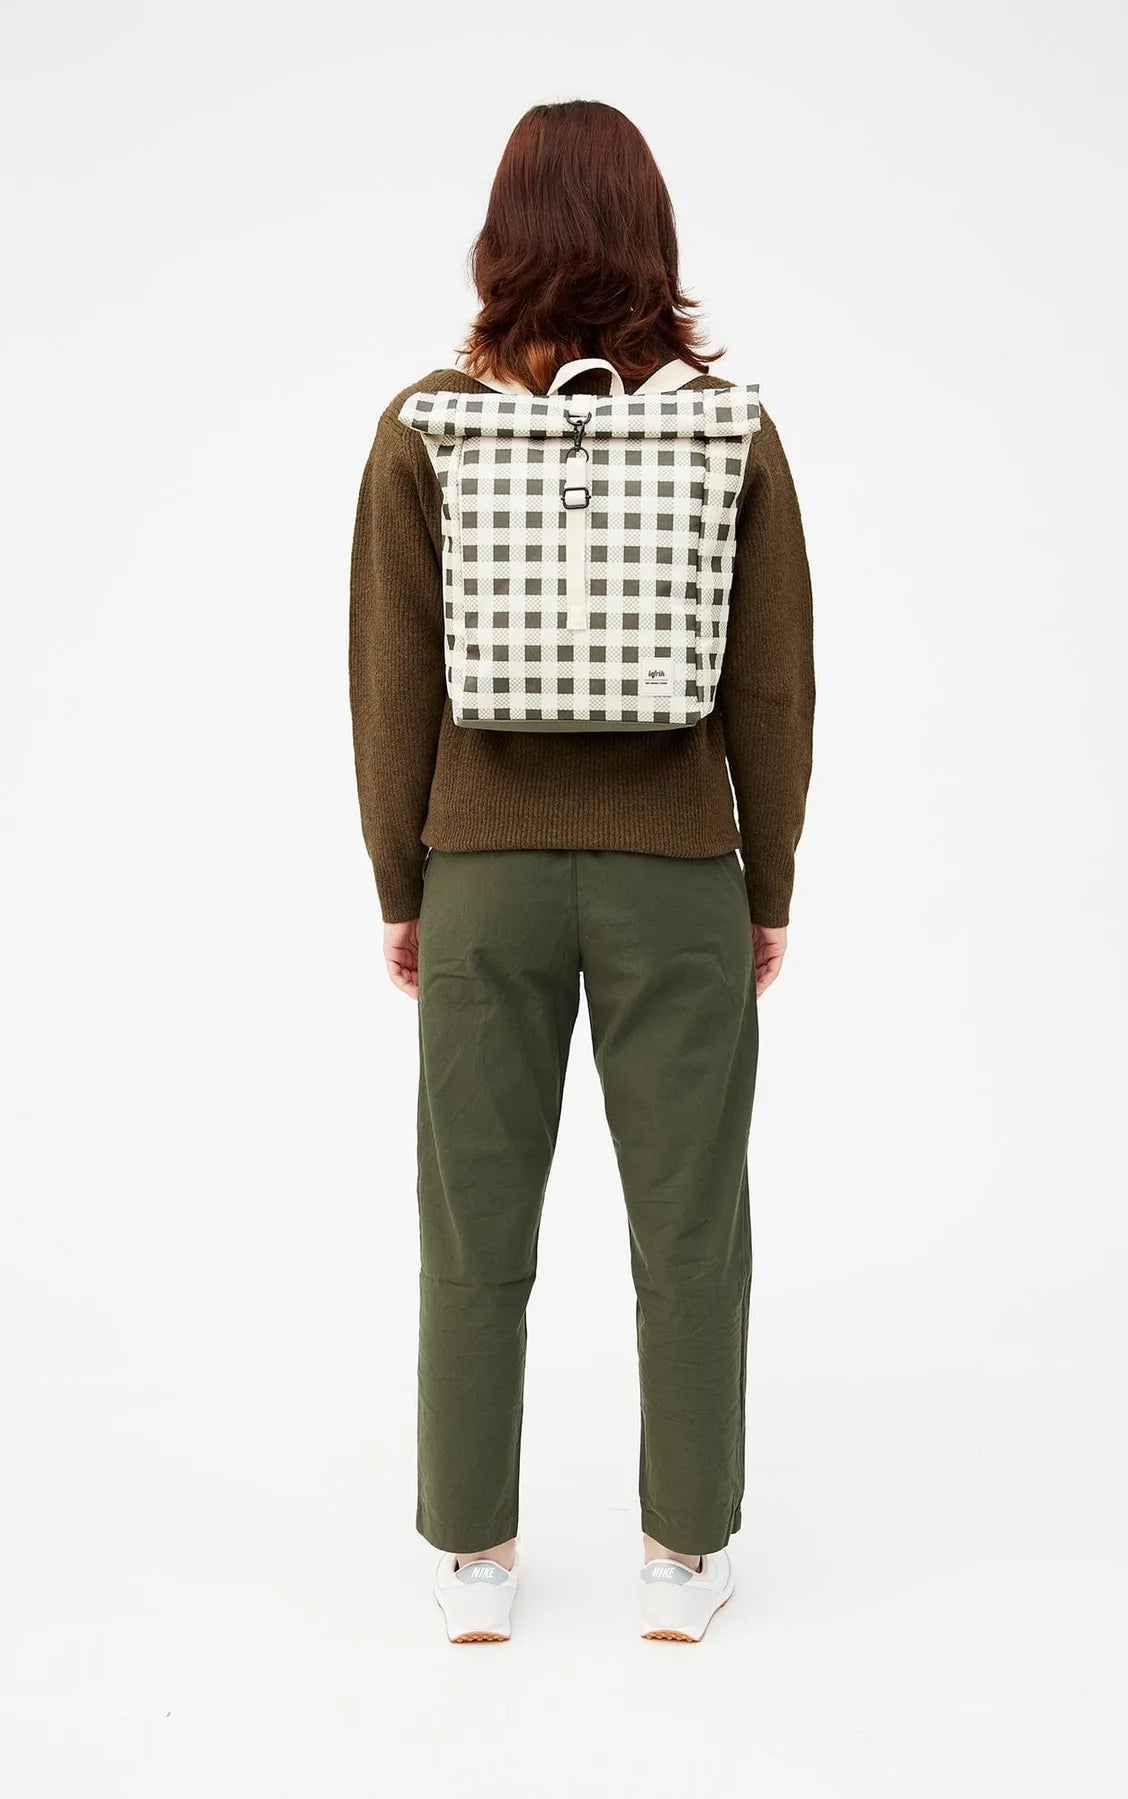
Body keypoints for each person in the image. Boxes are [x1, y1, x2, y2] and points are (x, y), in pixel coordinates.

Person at [348, 99, 815, 1645]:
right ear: (649, 235)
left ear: (501, 238)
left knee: (473, 1215)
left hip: (480, 869)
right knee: (690, 1220)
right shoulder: (727, 428)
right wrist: (766, 883)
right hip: (677, 867)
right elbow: (774, 685)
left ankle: (474, 1560)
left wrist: (402, 881)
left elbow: (390, 679)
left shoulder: (427, 424)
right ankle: (682, 1559)